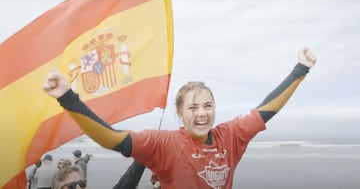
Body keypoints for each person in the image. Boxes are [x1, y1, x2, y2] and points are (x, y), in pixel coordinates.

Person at [43, 48, 316, 188]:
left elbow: (266, 110)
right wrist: (68, 97)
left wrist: (300, 69)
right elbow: (113, 139)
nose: (202, 113)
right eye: (193, 108)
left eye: (208, 106)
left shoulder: (230, 135)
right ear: (180, 113)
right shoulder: (164, 143)